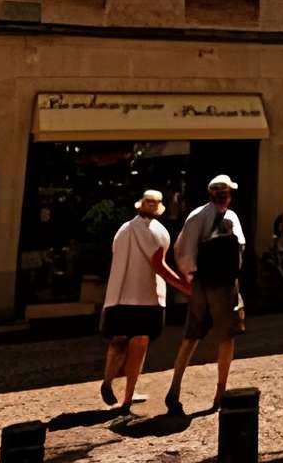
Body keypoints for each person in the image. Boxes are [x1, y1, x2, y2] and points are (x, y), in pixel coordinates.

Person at [164, 175, 246, 417]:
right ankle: (220, 391)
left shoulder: (197, 216)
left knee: (191, 335)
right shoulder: (232, 217)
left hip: (201, 282)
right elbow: (239, 251)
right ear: (227, 195)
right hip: (225, 284)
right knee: (227, 336)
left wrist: (190, 280)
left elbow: (184, 251)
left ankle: (175, 386)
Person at [100, 191, 188, 414]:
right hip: (147, 298)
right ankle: (128, 397)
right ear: (158, 209)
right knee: (139, 344)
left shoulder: (123, 229)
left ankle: (108, 381)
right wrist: (183, 285)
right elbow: (159, 265)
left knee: (118, 341)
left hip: (118, 296)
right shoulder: (158, 232)